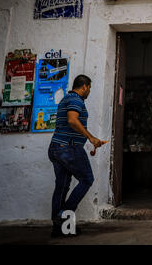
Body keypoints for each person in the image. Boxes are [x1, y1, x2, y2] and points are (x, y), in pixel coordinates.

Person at [49, 74, 107, 237]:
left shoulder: (66, 98)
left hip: (56, 147)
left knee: (62, 186)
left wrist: (91, 140)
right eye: (89, 88)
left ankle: (58, 227)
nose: (89, 91)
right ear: (85, 86)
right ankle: (64, 216)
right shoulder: (76, 100)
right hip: (68, 148)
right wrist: (91, 137)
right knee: (87, 179)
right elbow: (73, 121)